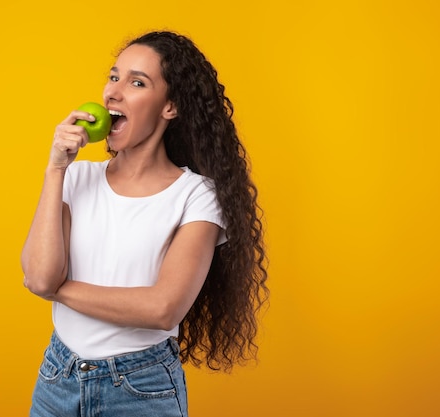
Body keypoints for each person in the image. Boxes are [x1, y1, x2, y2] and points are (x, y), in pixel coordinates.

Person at [20, 30, 268, 417]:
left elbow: (162, 308)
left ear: (170, 106)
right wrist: (55, 168)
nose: (114, 92)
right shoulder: (76, 177)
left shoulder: (197, 196)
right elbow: (37, 274)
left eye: (137, 82)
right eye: (114, 76)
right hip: (58, 377)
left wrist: (57, 289)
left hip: (140, 388)